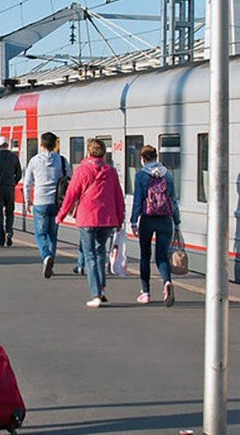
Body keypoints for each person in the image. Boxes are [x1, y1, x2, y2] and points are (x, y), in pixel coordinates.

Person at [58, 138, 125, 308]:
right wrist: (120, 218)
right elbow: (118, 196)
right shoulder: (111, 171)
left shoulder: (82, 170)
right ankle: (101, 290)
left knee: (90, 256)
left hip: (87, 218)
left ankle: (95, 294)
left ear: (88, 152)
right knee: (100, 252)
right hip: (107, 219)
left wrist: (61, 216)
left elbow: (71, 194)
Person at [129, 145, 181, 307]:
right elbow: (173, 201)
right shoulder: (168, 175)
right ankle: (166, 283)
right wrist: (177, 222)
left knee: (145, 255)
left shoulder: (141, 176)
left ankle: (145, 293)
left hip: (148, 219)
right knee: (162, 256)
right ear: (156, 157)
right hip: (166, 219)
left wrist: (133, 220)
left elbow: (138, 200)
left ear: (143, 159)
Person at [23, 131, 69, 278]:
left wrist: (27, 200)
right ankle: (51, 262)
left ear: (41, 144)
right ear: (55, 144)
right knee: (52, 235)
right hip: (56, 202)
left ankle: (46, 256)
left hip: (40, 201)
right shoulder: (62, 160)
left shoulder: (34, 160)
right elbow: (70, 179)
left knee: (40, 233)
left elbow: (27, 183)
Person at [0, 136, 23, 248]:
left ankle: (0, 241)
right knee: (10, 212)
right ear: (7, 145)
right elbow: (19, 174)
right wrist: (13, 182)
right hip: (10, 188)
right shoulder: (14, 157)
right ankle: (9, 231)